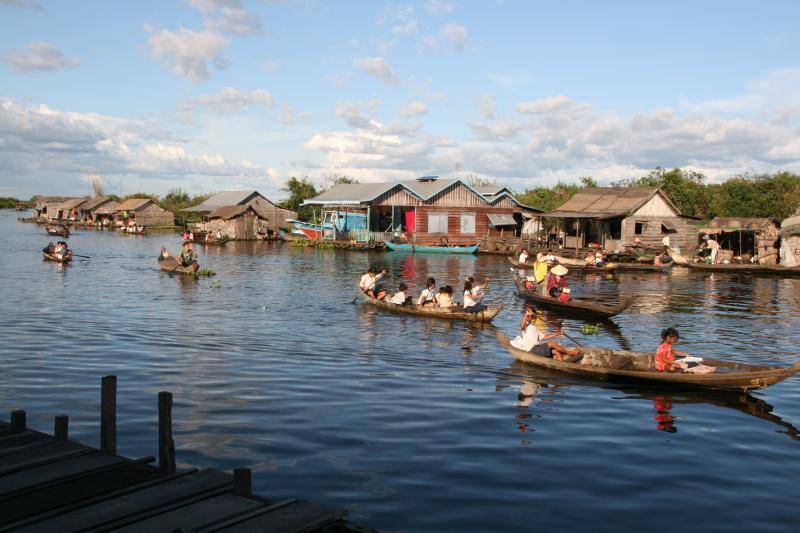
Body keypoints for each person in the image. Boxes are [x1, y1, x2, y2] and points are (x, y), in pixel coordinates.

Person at [510, 306, 581, 361]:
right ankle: (569, 353)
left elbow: (544, 338)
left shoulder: (536, 328)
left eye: (531, 316)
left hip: (537, 349)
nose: (530, 317)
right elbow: (522, 325)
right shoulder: (526, 327)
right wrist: (526, 315)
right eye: (528, 316)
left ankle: (562, 364)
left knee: (556, 351)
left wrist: (556, 334)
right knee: (552, 344)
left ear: (534, 317)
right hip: (531, 350)